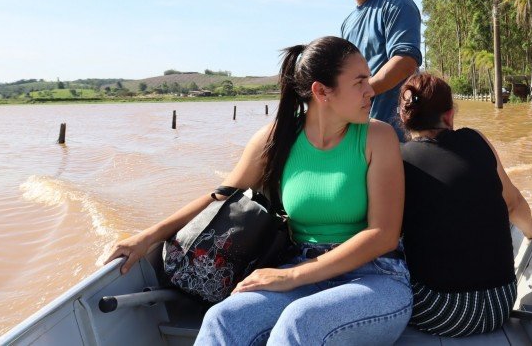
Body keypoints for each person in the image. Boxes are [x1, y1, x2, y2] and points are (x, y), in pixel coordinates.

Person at [104, 36, 412, 346]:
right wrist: (147, 237)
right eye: (360, 82)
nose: (371, 89)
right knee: (223, 319)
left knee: (300, 322)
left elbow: (383, 235)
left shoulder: (377, 137)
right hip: (300, 267)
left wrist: (291, 276)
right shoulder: (278, 138)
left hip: (375, 277)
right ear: (321, 91)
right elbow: (222, 196)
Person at [397, 73, 532, 338]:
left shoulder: (398, 158)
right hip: (500, 304)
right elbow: (513, 204)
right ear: (448, 116)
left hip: (437, 313)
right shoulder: (476, 139)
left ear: (404, 116)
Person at [340, 0, 422, 139]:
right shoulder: (347, 23)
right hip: (360, 132)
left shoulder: (396, 2)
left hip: (397, 133)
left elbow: (405, 61)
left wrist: (362, 92)